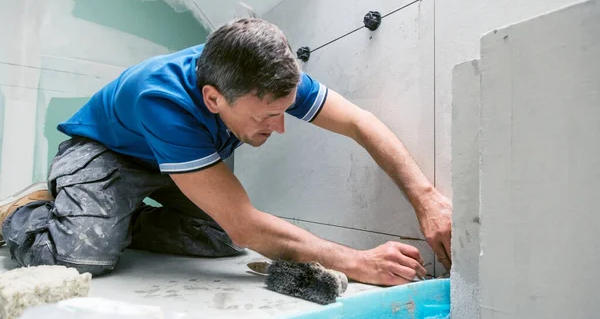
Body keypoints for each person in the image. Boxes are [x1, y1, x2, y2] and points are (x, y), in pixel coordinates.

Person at [0, 17, 452, 286]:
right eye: (264, 118)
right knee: (85, 259)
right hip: (106, 155)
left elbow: (358, 121)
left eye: (285, 111)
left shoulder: (265, 75)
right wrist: (356, 262)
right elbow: (247, 221)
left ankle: (117, 218)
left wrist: (425, 196)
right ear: (213, 99)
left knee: (222, 243)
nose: (280, 128)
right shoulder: (160, 100)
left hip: (170, 165)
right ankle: (23, 213)